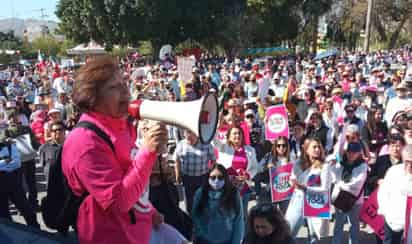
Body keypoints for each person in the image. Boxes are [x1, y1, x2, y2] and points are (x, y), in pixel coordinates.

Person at [61, 56, 168, 244]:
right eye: (114, 87)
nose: (126, 91)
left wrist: (148, 210)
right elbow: (119, 202)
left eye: (124, 83)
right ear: (92, 97)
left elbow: (130, 175)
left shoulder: (120, 127)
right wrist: (148, 152)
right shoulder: (85, 143)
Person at [285, 138, 332, 244]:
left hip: (315, 200)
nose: (317, 149)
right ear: (306, 150)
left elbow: (325, 188)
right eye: (314, 147)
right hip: (298, 198)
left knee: (314, 235)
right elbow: (292, 179)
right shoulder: (298, 163)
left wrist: (306, 188)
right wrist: (292, 182)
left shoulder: (325, 166)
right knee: (288, 231)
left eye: (318, 147)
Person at [213, 126, 259, 219]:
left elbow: (255, 167)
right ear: (229, 136)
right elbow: (214, 140)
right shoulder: (223, 147)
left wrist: (248, 175)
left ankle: (242, 233)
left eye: (239, 133)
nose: (237, 135)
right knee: (227, 215)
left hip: (243, 188)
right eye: (234, 133)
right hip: (227, 188)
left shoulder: (250, 150)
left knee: (242, 216)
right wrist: (217, 126)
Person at [192, 164, 244, 244]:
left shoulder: (233, 194)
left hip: (226, 241)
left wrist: (236, 242)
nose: (216, 180)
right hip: (204, 241)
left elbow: (238, 221)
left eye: (220, 177)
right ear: (208, 178)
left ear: (226, 178)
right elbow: (195, 216)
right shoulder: (201, 193)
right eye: (213, 177)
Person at [0, 125, 39, 228]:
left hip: (13, 183)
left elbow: (16, 163)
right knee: (4, 215)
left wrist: (3, 164)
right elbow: (10, 163)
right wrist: (6, 161)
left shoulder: (8, 145)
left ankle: (36, 230)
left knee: (27, 210)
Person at [330, 142, 368, 244]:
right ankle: (336, 242)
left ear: (359, 153)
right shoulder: (341, 163)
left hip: (355, 201)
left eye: (354, 152)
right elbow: (333, 177)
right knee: (339, 223)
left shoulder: (362, 165)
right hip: (340, 197)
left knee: (354, 224)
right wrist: (332, 165)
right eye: (349, 152)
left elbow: (356, 184)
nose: (351, 154)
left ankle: (354, 242)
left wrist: (340, 184)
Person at [174, 129, 216, 213]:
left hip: (203, 177)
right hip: (187, 177)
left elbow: (213, 160)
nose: (188, 138)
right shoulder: (181, 144)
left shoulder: (206, 144)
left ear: (197, 134)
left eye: (191, 135)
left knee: (203, 200)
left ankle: (202, 219)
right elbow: (176, 160)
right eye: (186, 134)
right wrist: (177, 175)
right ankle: (191, 220)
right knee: (189, 202)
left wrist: (211, 172)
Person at [6, 108, 41, 209]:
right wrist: (6, 141)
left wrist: (39, 146)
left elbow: (34, 142)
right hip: (16, 161)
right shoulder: (6, 131)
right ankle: (22, 206)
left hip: (29, 158)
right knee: (19, 185)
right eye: (10, 117)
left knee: (31, 183)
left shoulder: (26, 128)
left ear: (18, 117)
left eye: (14, 116)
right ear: (8, 119)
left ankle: (33, 203)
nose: (13, 119)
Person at [378, 144, 412, 244]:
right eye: (407, 161)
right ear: (403, 158)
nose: (410, 165)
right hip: (393, 221)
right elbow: (383, 193)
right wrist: (386, 213)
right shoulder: (393, 172)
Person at [256, 136, 291, 209]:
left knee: (284, 216)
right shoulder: (269, 156)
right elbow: (257, 169)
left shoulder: (291, 157)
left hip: (286, 192)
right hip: (271, 191)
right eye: (278, 145)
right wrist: (266, 167)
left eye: (283, 145)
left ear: (287, 146)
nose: (281, 148)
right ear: (275, 146)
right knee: (271, 215)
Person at [39, 121, 66, 187]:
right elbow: (43, 164)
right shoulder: (44, 148)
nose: (57, 132)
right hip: (51, 183)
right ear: (50, 133)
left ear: (64, 131)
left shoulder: (70, 145)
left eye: (60, 129)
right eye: (54, 130)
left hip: (67, 183)